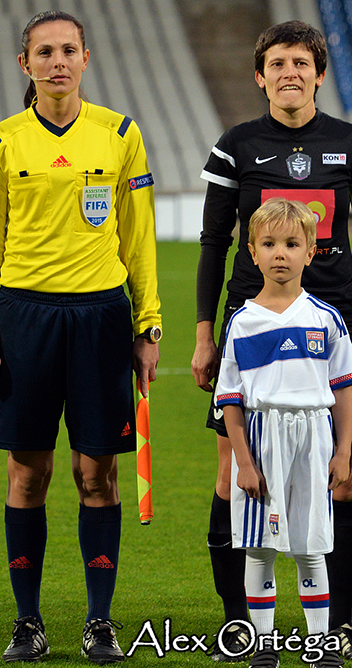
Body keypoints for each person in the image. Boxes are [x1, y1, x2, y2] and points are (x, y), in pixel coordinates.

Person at [0, 10, 161, 664]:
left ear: (86, 58)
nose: (56, 61)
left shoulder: (121, 134)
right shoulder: (0, 141)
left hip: (102, 319)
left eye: (67, 51)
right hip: (24, 320)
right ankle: (28, 623)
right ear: (26, 64)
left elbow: (138, 237)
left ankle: (98, 622)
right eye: (43, 52)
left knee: (95, 473)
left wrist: (148, 321)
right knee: (28, 472)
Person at [192, 21, 352, 662]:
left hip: (332, 321)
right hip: (252, 322)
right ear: (260, 76)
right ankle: (241, 625)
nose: (290, 72)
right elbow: (211, 245)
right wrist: (206, 334)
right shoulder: (238, 145)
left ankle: (333, 624)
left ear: (319, 73)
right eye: (278, 63)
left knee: (340, 469)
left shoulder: (347, 143)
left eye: (302, 62)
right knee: (235, 471)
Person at [215, 198, 351, 668]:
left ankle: (319, 644)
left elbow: (343, 390)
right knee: (261, 547)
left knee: (312, 545)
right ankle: (264, 645)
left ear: (310, 252)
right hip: (262, 436)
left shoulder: (326, 319)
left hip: (314, 437)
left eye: (292, 244)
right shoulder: (242, 321)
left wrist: (344, 452)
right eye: (269, 244)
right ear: (252, 252)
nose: (280, 254)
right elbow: (229, 399)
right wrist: (243, 461)